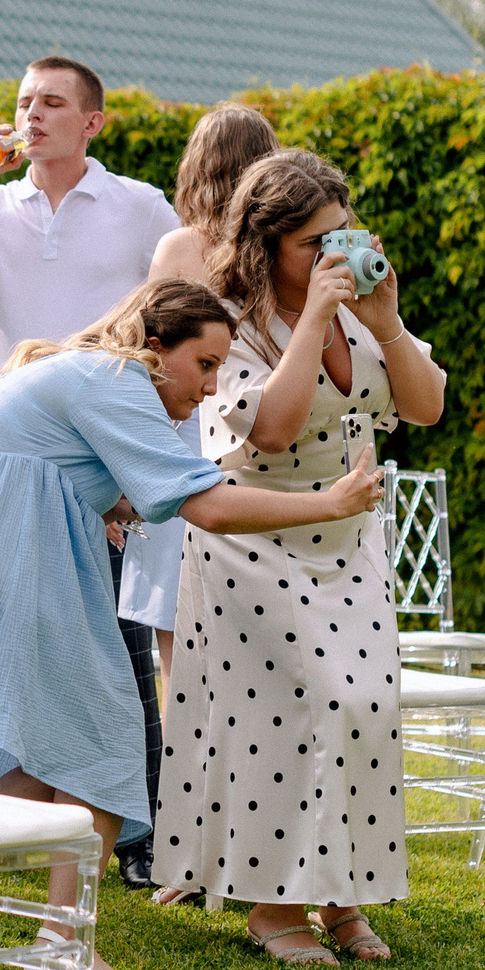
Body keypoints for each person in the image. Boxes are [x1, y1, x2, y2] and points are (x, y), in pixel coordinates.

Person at [0, 278, 384, 970]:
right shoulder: (118, 378)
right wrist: (325, 503)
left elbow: (101, 474)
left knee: (60, 744)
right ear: (157, 350)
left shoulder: (103, 377)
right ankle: (61, 940)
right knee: (105, 723)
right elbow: (205, 506)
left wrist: (117, 500)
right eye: (204, 364)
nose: (210, 388)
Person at [0, 56, 180, 887]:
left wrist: (133, 458)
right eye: (23, 101)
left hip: (96, 468)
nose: (32, 113)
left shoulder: (140, 207)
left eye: (52, 102)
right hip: (4, 476)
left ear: (94, 122)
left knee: (113, 656)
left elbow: (173, 327)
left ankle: (134, 845)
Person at [148, 149, 448, 966]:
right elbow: (272, 427)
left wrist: (384, 320)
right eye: (314, 242)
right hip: (256, 538)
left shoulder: (364, 310)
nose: (333, 253)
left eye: (342, 233)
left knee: (362, 709)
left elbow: (425, 407)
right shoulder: (231, 326)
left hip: (349, 541)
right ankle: (270, 906)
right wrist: (314, 318)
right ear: (267, 244)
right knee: (290, 716)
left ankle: (342, 896)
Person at [127, 105, 281, 691]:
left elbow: (147, 355)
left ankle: (184, 773)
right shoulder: (278, 253)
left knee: (181, 657)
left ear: (195, 170)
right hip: (258, 438)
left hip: (185, 441)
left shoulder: (177, 248)